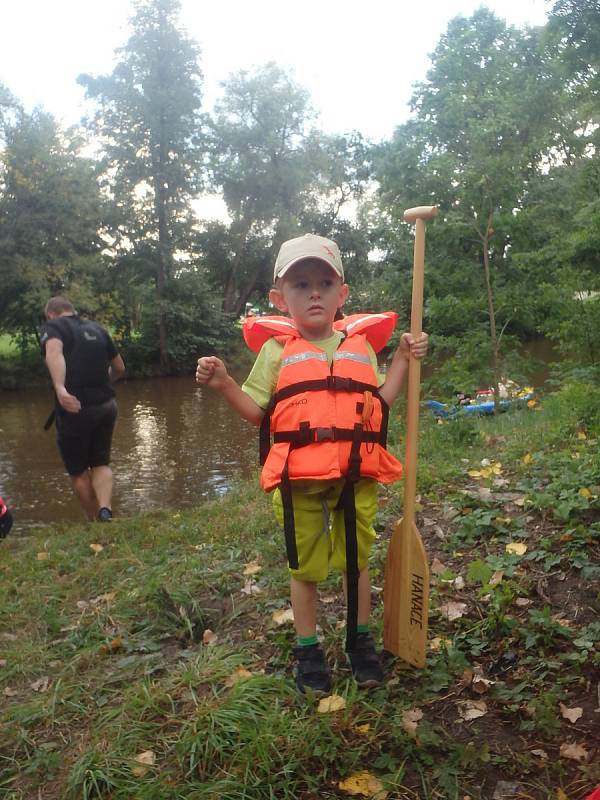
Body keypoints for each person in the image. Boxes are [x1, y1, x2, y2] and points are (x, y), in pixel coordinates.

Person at [196, 234, 428, 693]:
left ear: (342, 295)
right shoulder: (276, 352)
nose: (315, 292)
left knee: (355, 562)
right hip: (299, 480)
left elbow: (380, 402)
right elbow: (258, 413)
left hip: (356, 475)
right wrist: (224, 384)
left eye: (325, 282)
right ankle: (308, 648)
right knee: (305, 568)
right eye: (301, 284)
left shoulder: (360, 347)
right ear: (280, 299)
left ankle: (359, 642)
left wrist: (401, 358)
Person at [40, 297, 126, 522]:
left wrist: (60, 389)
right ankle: (105, 510)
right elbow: (119, 367)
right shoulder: (97, 328)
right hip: (107, 405)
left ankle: (93, 519)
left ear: (51, 314)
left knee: (78, 471)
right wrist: (106, 383)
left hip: (74, 410)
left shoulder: (53, 327)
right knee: (101, 463)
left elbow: (54, 351)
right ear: (72, 310)